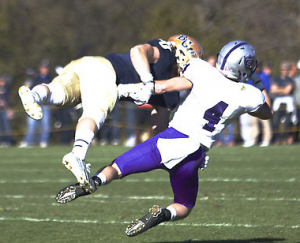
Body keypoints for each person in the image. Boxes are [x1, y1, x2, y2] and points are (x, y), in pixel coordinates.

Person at [55, 40, 273, 237]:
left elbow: (170, 83)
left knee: (116, 168)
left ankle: (93, 182)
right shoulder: (249, 94)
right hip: (196, 152)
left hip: (169, 139)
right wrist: (258, 83)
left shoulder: (201, 69)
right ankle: (161, 215)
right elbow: (266, 113)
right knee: (184, 205)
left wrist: (126, 90)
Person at [18, 34, 203, 191]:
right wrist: (147, 81)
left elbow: (160, 131)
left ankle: (34, 95)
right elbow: (137, 51)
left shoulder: (172, 92)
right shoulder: (166, 53)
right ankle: (77, 155)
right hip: (106, 73)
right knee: (94, 112)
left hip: (89, 64)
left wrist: (178, 153)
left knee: (60, 93)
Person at [19, 61, 52, 148]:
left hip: (45, 104)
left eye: (46, 68)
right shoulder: (35, 78)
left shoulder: (50, 78)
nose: (44, 70)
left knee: (45, 124)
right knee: (31, 124)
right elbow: (28, 89)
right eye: (43, 67)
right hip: (35, 103)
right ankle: (28, 141)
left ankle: (43, 141)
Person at [270, 61, 295, 144]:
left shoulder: (290, 80)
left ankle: (286, 138)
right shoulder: (276, 79)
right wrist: (283, 89)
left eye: (286, 70)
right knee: (275, 121)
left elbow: (288, 91)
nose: (284, 71)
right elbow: (273, 90)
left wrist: (278, 90)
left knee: (288, 122)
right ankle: (277, 138)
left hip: (288, 101)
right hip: (278, 101)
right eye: (283, 70)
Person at [0, 75, 13, 147]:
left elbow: (7, 101)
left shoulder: (6, 89)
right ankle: (2, 141)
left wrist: (9, 109)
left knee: (6, 126)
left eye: (3, 81)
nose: (2, 82)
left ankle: (7, 141)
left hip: (5, 110)